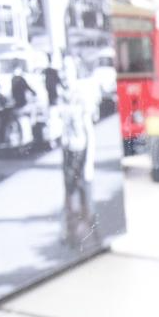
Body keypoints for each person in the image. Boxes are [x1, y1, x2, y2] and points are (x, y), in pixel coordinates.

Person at [61, 93, 96, 247]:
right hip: (70, 158)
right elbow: (65, 138)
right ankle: (72, 236)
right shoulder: (67, 116)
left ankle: (90, 237)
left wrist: (88, 165)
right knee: (71, 199)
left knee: (86, 201)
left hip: (82, 159)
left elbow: (90, 141)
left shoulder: (84, 117)